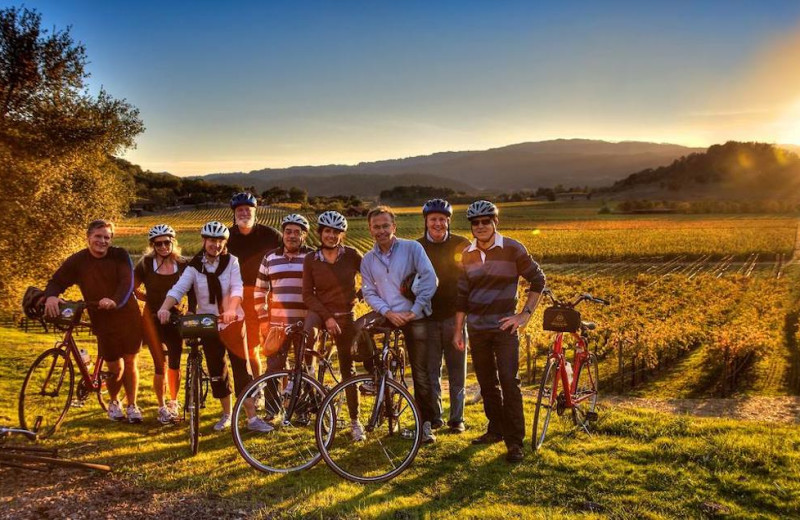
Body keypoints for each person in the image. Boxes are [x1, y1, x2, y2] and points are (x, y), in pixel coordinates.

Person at [453, 200, 546, 463]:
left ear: (495, 222)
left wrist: (524, 315)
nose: (480, 226)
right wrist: (458, 330)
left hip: (504, 328)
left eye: (486, 221)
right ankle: (495, 429)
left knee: (509, 381)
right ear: (471, 227)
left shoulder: (513, 248)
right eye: (476, 223)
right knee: (486, 383)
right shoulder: (467, 254)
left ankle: (514, 442)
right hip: (477, 329)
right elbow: (462, 296)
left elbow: (538, 280)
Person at [157, 221, 271, 433]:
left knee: (241, 369)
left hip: (233, 321)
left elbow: (237, 288)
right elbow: (179, 288)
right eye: (212, 240)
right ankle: (227, 414)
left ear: (224, 243)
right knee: (217, 370)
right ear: (204, 241)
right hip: (209, 323)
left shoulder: (232, 262)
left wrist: (231, 309)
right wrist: (164, 308)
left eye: (220, 241)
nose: (215, 245)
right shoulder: (194, 266)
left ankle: (252, 418)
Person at [43, 219, 144, 423]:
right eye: (98, 236)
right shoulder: (78, 261)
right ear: (88, 237)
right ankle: (115, 402)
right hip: (102, 319)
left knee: (131, 361)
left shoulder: (120, 255)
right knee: (114, 367)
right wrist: (51, 296)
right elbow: (57, 281)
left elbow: (127, 283)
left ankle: (132, 404)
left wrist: (114, 301)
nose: (102, 241)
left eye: (107, 237)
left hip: (128, 316)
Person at [359, 206, 438, 444]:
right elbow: (368, 292)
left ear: (394, 227)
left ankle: (426, 424)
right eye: (376, 227)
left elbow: (429, 279)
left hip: (416, 316)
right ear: (370, 229)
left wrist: (414, 312)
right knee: (359, 334)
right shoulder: (368, 259)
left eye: (385, 226)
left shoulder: (412, 248)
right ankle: (378, 385)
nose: (381, 230)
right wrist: (387, 312)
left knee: (421, 373)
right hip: (388, 315)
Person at [301, 211, 365, 440]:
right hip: (320, 312)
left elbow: (372, 276)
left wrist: (360, 294)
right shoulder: (311, 259)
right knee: (306, 337)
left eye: (336, 232)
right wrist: (327, 317)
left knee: (348, 370)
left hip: (345, 315)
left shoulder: (352, 255)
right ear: (320, 233)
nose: (331, 235)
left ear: (342, 235)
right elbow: (307, 295)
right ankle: (309, 385)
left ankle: (355, 422)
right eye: (327, 231)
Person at [417, 199, 471, 434]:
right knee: (431, 371)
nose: (437, 223)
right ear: (426, 222)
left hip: (455, 317)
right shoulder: (416, 247)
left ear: (448, 221)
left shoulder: (462, 244)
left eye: (442, 219)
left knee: (457, 370)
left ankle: (457, 418)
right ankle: (435, 417)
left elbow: (470, 280)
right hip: (427, 319)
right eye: (433, 219)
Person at [133, 224, 189, 424]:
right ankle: (161, 406)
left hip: (176, 319)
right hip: (152, 320)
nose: (163, 246)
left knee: (174, 363)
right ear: (153, 245)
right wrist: (147, 300)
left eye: (167, 242)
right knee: (159, 365)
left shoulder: (182, 264)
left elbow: (192, 288)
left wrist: (188, 309)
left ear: (173, 242)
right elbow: (132, 287)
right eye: (158, 243)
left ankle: (174, 401)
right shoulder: (145, 264)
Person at [226, 192, 282, 379]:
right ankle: (257, 387)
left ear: (255, 211)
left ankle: (285, 393)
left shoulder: (271, 235)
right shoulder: (227, 237)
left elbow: (294, 249)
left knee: (277, 346)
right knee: (250, 347)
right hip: (242, 298)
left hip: (271, 297)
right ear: (234, 213)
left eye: (247, 209)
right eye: (239, 210)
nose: (244, 213)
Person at [254, 214, 313, 376]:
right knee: (273, 372)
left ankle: (308, 401)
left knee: (307, 372)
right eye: (288, 232)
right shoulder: (270, 257)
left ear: (304, 235)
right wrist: (264, 320)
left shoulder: (313, 257)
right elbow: (260, 291)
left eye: (297, 232)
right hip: (277, 327)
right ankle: (273, 402)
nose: (292, 236)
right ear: (283, 234)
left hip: (306, 325)